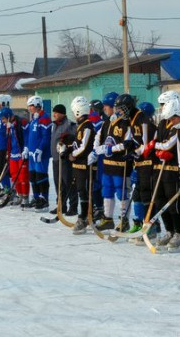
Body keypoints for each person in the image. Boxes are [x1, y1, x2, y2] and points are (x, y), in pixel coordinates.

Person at [143, 96, 180, 252]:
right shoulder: (163, 122)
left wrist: (156, 146)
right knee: (160, 201)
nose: (162, 107)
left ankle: (179, 233)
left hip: (173, 169)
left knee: (174, 204)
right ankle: (169, 230)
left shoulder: (179, 123)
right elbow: (157, 141)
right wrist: (157, 148)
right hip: (160, 167)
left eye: (164, 104)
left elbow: (170, 144)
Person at [92, 93, 132, 231]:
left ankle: (124, 220)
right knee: (106, 190)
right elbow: (98, 137)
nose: (104, 109)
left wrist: (110, 148)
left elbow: (127, 143)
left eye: (107, 106)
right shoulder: (107, 122)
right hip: (108, 164)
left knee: (121, 191)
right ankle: (107, 218)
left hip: (120, 164)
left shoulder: (126, 122)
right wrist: (96, 150)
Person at [127, 102, 158, 240]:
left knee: (147, 195)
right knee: (137, 194)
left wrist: (135, 152)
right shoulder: (136, 123)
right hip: (140, 164)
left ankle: (151, 226)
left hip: (149, 164)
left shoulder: (148, 125)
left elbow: (146, 146)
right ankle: (139, 223)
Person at [65, 97, 95, 234]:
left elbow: (84, 146)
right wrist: (67, 147)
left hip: (84, 165)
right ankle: (85, 216)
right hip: (78, 165)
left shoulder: (87, 126)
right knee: (80, 190)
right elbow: (77, 143)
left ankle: (84, 217)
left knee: (83, 191)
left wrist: (73, 154)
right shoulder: (81, 126)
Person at [22, 95, 52, 212]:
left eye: (31, 106)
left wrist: (40, 149)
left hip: (40, 155)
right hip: (31, 154)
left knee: (41, 177)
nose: (29, 108)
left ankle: (44, 199)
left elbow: (46, 137)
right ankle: (36, 197)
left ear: (37, 106)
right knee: (33, 177)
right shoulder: (34, 119)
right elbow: (30, 137)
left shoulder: (44, 118)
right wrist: (26, 148)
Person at [50, 103, 78, 217]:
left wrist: (67, 146)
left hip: (65, 159)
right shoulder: (54, 125)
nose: (54, 114)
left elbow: (73, 141)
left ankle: (73, 206)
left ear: (62, 113)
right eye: (54, 112)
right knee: (58, 184)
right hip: (56, 159)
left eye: (56, 112)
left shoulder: (70, 125)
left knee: (68, 183)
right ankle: (61, 205)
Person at [3, 106, 30, 207]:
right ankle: (19, 196)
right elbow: (9, 140)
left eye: (4, 119)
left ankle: (25, 198)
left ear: (9, 117)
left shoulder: (21, 122)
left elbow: (27, 136)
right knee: (14, 177)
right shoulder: (9, 126)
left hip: (21, 153)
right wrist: (7, 152)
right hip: (12, 154)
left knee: (23, 176)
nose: (3, 122)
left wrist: (26, 148)